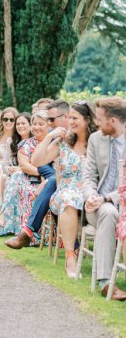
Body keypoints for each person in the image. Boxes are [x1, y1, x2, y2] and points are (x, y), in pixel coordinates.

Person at [36, 101, 97, 278]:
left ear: (87, 120)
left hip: (89, 192)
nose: (70, 121)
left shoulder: (98, 142)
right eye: (69, 117)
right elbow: (37, 161)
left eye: (75, 118)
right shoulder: (63, 142)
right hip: (66, 191)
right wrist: (49, 137)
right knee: (69, 200)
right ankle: (70, 257)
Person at [5, 99, 71, 249]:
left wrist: (47, 180)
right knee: (50, 186)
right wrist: (49, 137)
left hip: (69, 184)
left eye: (51, 120)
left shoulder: (82, 138)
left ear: (65, 117)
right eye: (47, 120)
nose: (49, 123)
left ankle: (28, 232)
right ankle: (30, 233)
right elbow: (36, 162)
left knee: (51, 184)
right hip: (53, 180)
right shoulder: (56, 139)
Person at [82, 97, 126, 300]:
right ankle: (106, 282)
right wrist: (91, 196)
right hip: (98, 208)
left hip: (119, 201)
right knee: (108, 212)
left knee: (110, 209)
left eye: (100, 119)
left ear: (114, 120)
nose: (96, 123)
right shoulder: (95, 139)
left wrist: (107, 198)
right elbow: (89, 175)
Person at [0, 112, 34, 236]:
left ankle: (2, 214)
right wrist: (10, 169)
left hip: (30, 175)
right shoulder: (12, 141)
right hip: (13, 175)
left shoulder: (34, 142)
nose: (20, 126)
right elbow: (5, 164)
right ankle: (6, 218)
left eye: (23, 123)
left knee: (13, 178)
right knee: (6, 177)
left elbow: (35, 165)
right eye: (18, 124)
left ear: (30, 125)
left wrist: (20, 170)